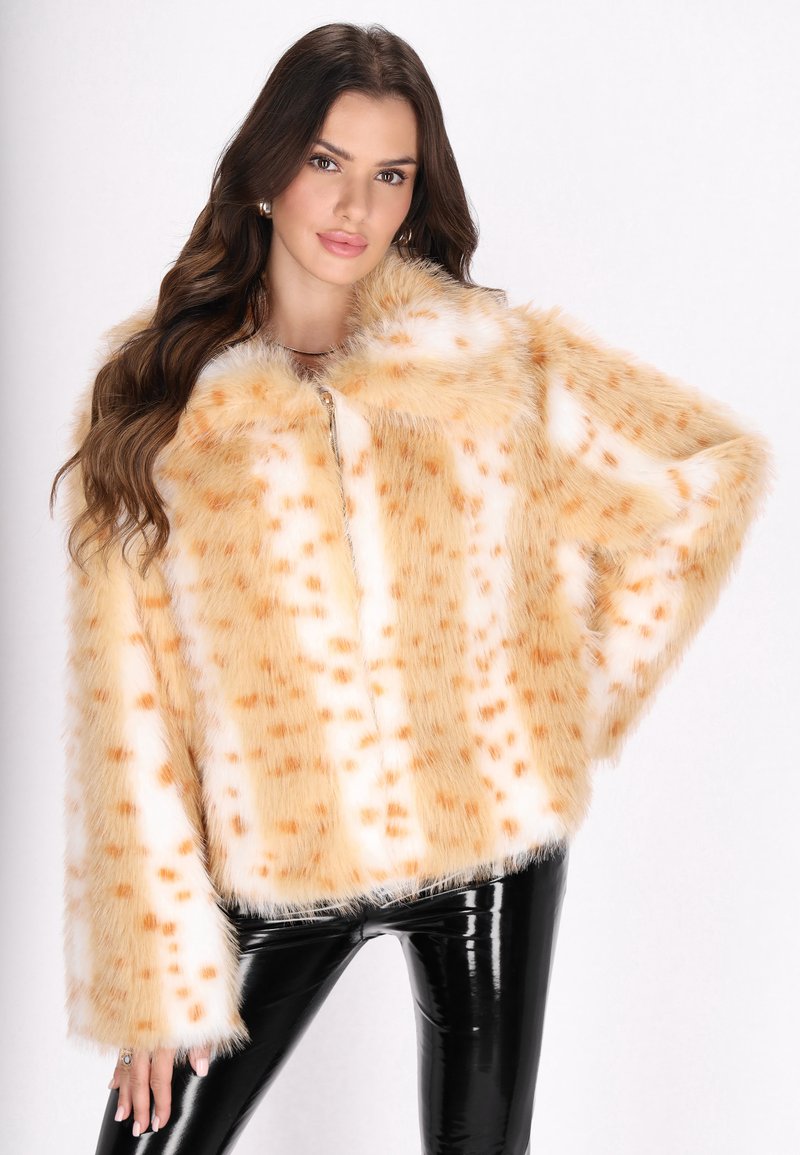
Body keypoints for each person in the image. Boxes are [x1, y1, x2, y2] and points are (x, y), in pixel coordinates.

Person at [50, 21, 773, 1155]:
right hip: (273, 870)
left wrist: (556, 709)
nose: (355, 206)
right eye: (326, 161)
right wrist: (156, 969)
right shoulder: (158, 399)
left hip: (487, 856)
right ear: (267, 170)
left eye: (390, 175)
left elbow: (705, 474)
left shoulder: (483, 362)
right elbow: (126, 706)